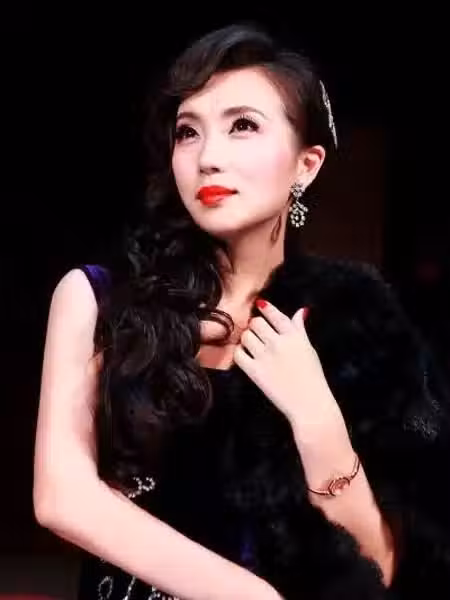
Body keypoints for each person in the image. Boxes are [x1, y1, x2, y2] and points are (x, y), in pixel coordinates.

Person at [33, 22, 450, 600]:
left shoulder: (356, 322)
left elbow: (377, 570)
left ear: (306, 165)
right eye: (188, 132)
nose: (208, 158)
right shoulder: (101, 299)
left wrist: (318, 420)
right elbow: (62, 497)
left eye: (243, 126)